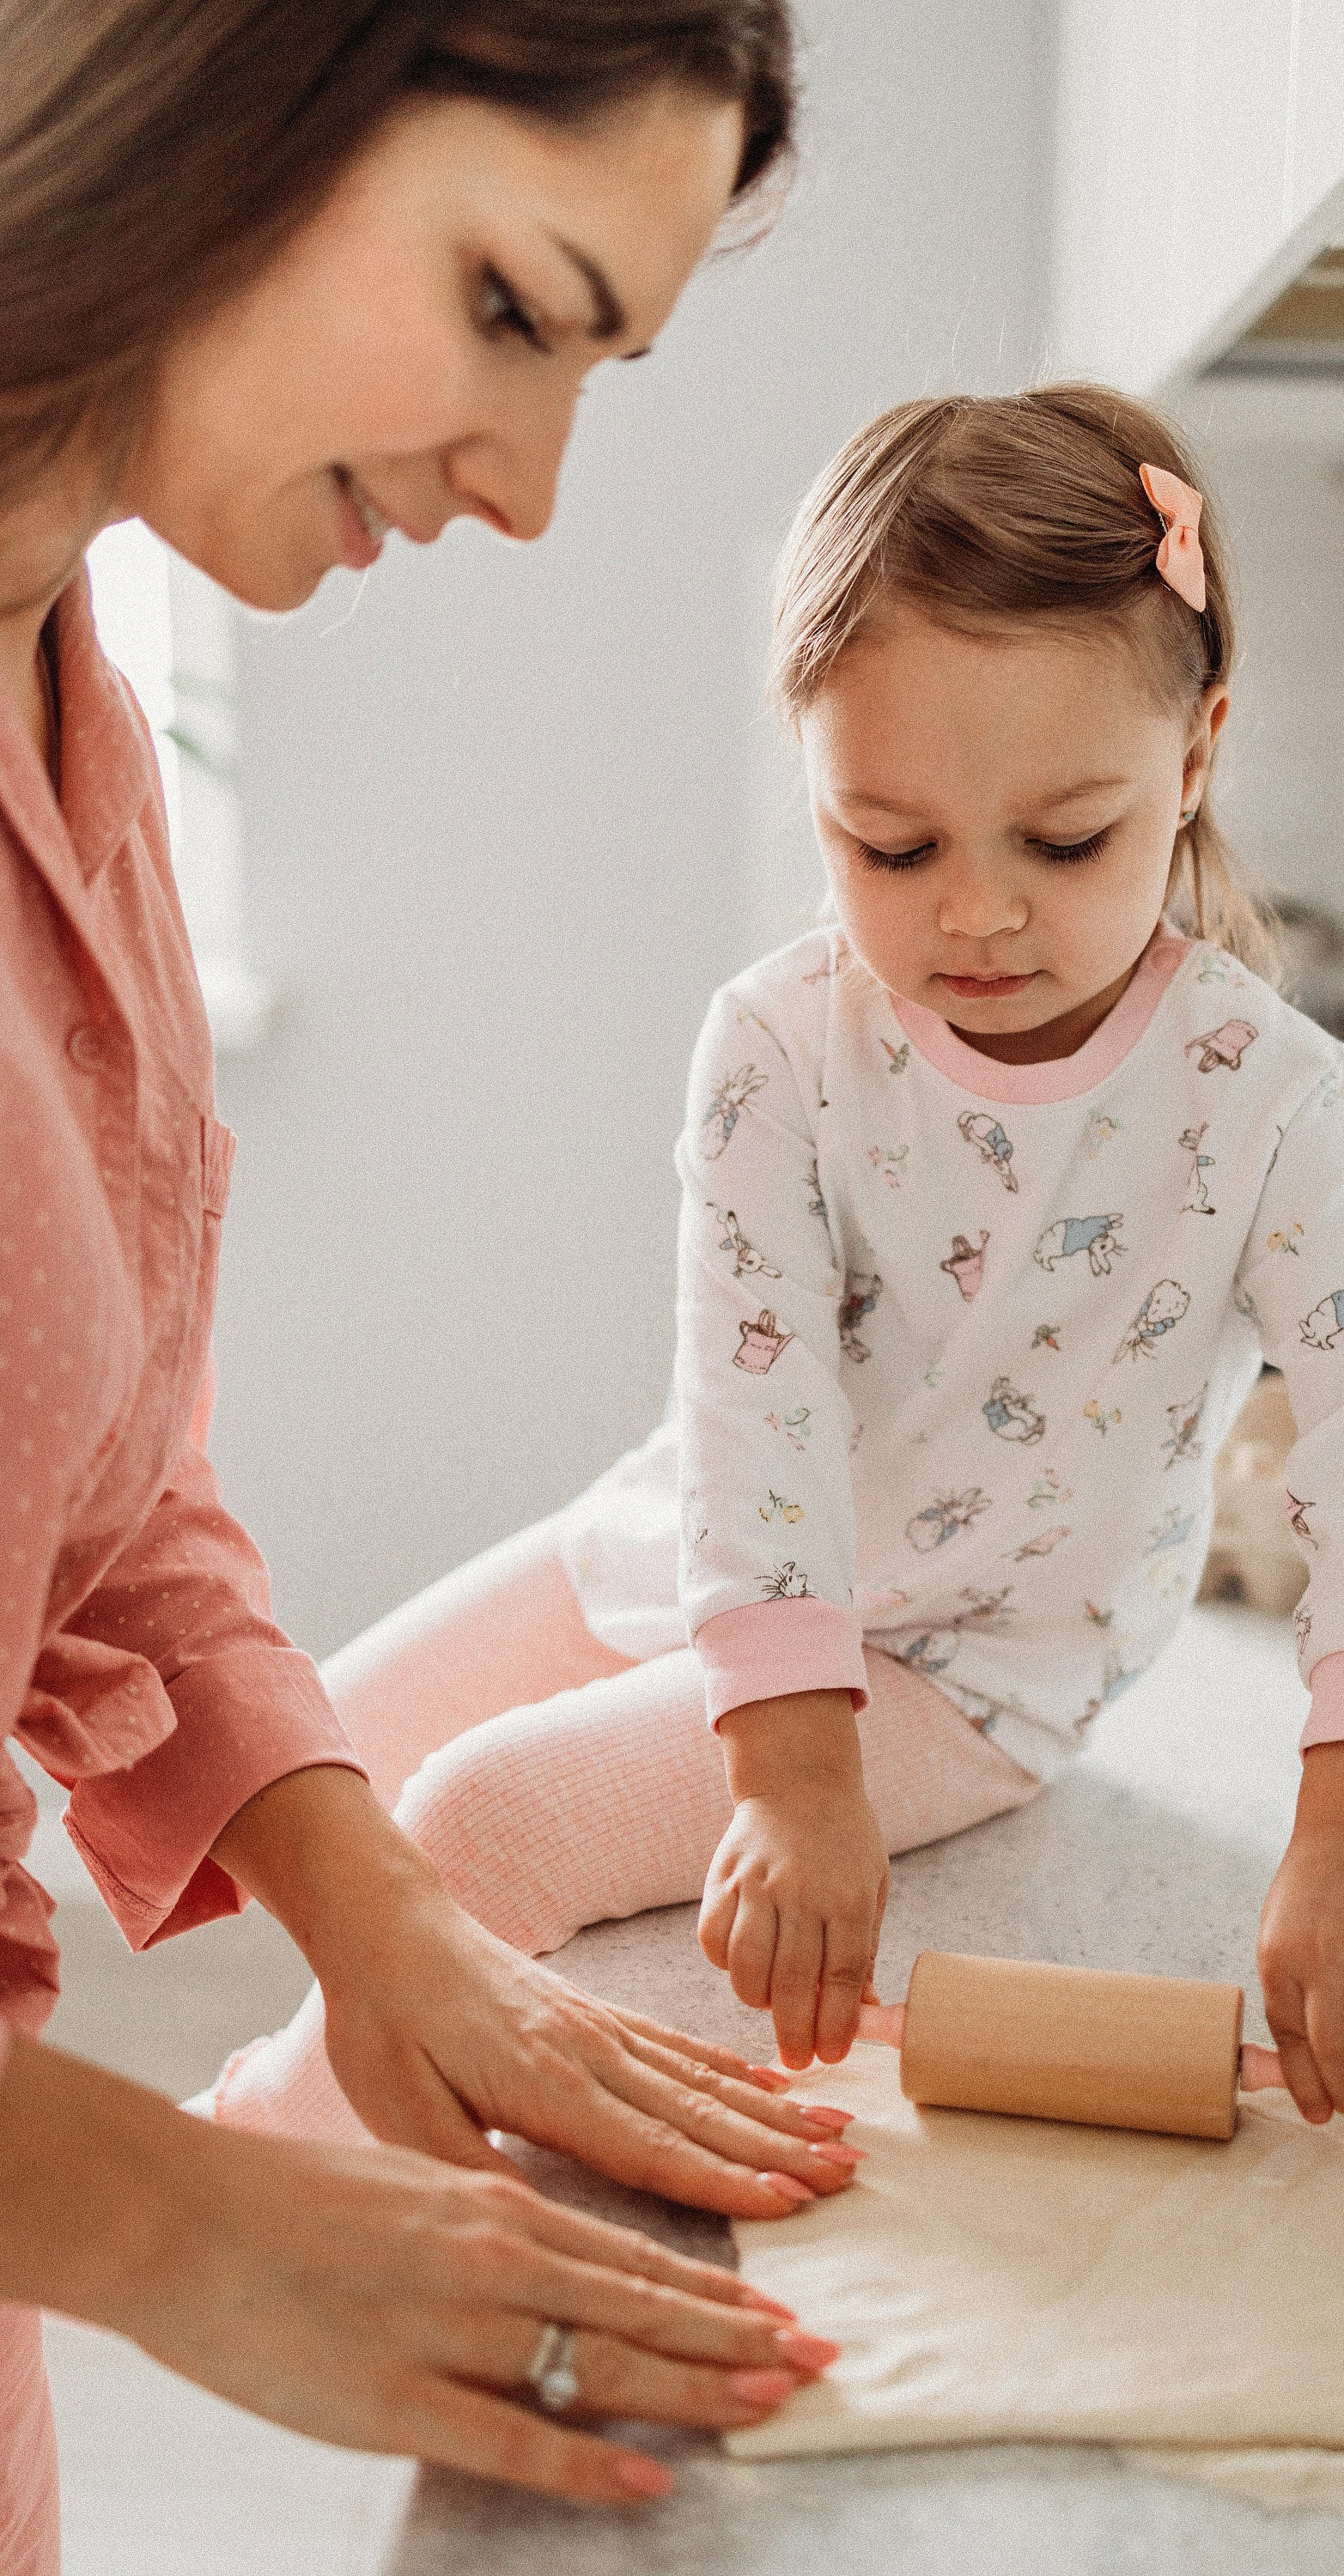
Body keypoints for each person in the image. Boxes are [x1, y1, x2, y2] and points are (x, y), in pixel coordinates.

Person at [213, 385, 1344, 2153]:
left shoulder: (1264, 1102)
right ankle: (329, 2101)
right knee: (295, 1755)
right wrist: (777, 1750)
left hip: (966, 1668)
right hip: (711, 1543)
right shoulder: (775, 1044)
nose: (971, 913)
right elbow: (755, 1408)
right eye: (888, 845)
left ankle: (261, 2175)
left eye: (1064, 841)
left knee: (474, 1826)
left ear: (1194, 760)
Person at [0, 5, 880, 2565]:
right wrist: (173, 2223)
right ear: (204, 86)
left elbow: (110, 1479)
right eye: (514, 308)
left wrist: (395, 1928)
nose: (529, 491)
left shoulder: (80, 717)